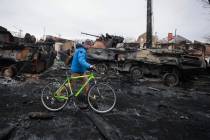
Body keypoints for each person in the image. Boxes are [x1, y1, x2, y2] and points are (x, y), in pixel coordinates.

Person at [70, 40, 95, 108]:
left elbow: (83, 62)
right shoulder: (82, 50)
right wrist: (90, 66)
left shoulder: (82, 50)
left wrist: (88, 67)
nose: (90, 47)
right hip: (76, 71)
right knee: (71, 86)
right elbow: (81, 61)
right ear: (87, 45)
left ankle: (86, 99)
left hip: (81, 71)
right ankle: (59, 92)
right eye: (90, 45)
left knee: (86, 85)